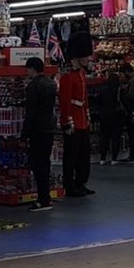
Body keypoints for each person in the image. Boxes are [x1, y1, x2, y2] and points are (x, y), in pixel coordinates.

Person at [59, 32, 95, 197]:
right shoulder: (67, 76)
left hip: (82, 121)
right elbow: (65, 101)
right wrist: (67, 123)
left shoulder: (80, 74)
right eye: (85, 56)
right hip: (73, 122)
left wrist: (87, 117)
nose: (88, 59)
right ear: (78, 56)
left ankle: (80, 182)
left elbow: (84, 98)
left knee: (83, 156)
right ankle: (69, 184)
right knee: (71, 157)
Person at [21, 57, 57, 212]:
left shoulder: (33, 87)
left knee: (38, 165)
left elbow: (31, 114)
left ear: (32, 69)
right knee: (45, 164)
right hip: (49, 128)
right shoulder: (51, 84)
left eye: (27, 69)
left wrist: (24, 135)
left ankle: (43, 200)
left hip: (37, 130)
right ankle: (45, 197)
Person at [96, 71, 123, 165]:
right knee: (116, 137)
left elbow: (98, 101)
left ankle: (102, 158)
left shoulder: (102, 90)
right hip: (116, 116)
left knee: (104, 137)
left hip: (104, 115)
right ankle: (114, 159)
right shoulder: (119, 90)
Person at [118, 63, 134, 163]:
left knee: (133, 134)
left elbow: (130, 96)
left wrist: (123, 92)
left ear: (127, 71)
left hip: (133, 110)